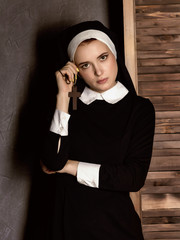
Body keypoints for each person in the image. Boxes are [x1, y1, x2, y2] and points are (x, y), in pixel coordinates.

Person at [40, 20, 155, 240]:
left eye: (103, 57)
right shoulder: (67, 106)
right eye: (85, 65)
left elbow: (133, 178)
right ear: (75, 69)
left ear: (114, 54)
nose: (98, 71)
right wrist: (63, 95)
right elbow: (53, 161)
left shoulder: (140, 109)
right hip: (66, 224)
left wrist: (70, 166)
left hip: (116, 227)